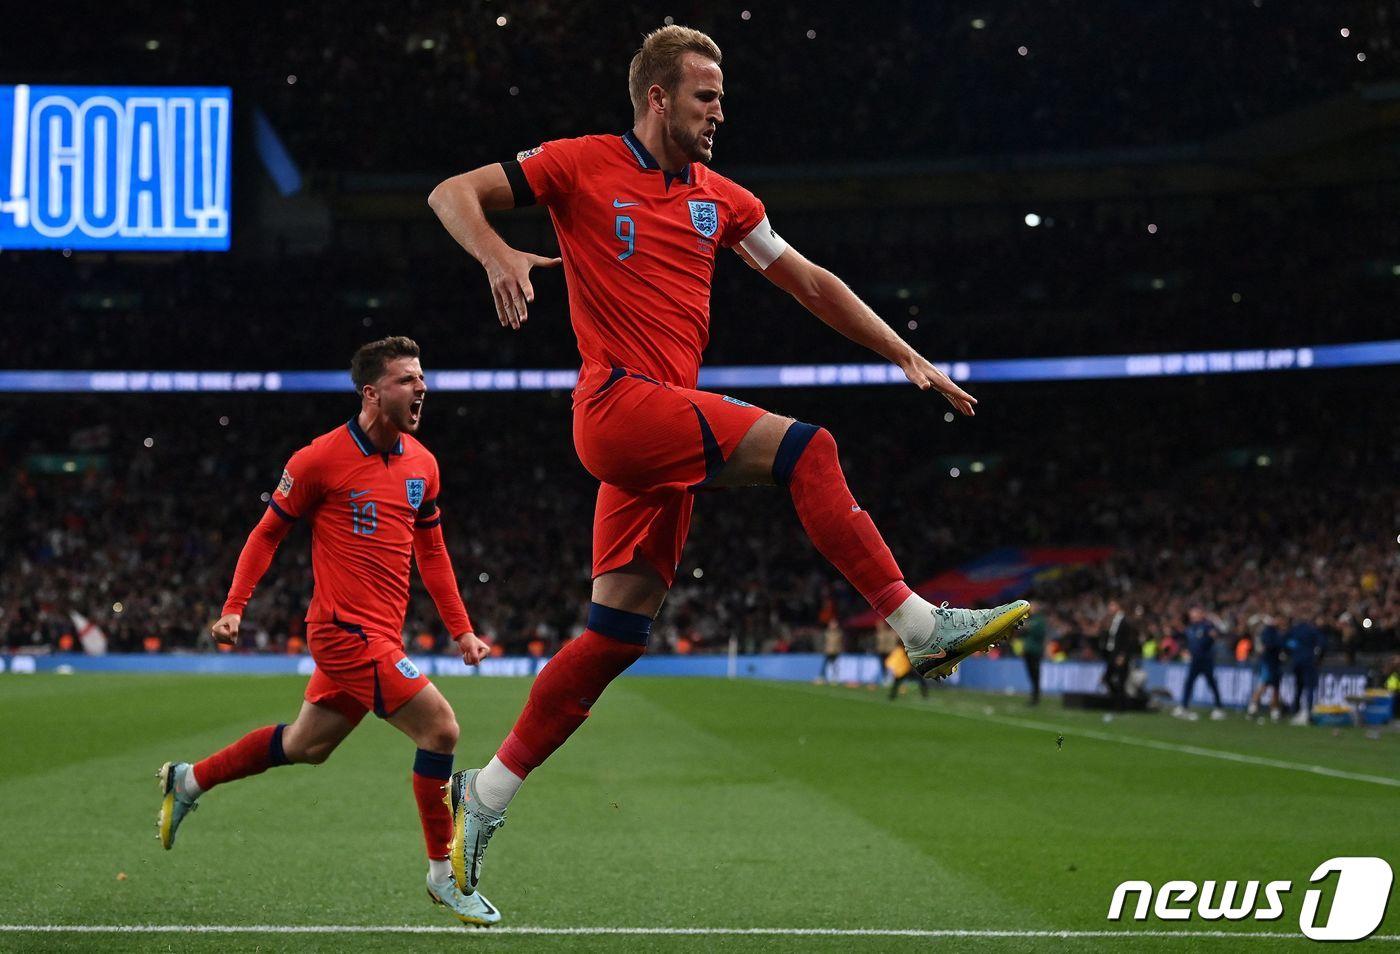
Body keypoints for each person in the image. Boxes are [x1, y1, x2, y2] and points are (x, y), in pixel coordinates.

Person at [427, 24, 1031, 899]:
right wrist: (496, 253)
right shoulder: (578, 163)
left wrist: (903, 353)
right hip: (617, 406)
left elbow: (811, 281)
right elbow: (452, 193)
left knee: (611, 640)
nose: (720, 112)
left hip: (657, 429)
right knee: (808, 449)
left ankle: (480, 800)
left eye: (723, 98)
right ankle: (916, 625)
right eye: (705, 97)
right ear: (657, 97)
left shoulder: (723, 200)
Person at [154, 337, 499, 926]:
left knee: (306, 747)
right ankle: (445, 877)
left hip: (381, 636)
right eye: (406, 380)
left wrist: (461, 630)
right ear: (371, 392)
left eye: (421, 377)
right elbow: (266, 533)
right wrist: (235, 606)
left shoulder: (423, 463)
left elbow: (433, 551)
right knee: (441, 730)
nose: (421, 388)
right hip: (343, 633)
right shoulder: (318, 460)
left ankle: (188, 780)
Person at [1173, 606, 1227, 721]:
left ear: (1201, 614)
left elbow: (1216, 635)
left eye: (1195, 613)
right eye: (1192, 614)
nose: (1193, 615)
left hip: (1206, 659)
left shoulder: (1207, 626)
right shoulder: (1191, 628)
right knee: (1189, 683)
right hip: (1195, 660)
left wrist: (1212, 633)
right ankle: (1184, 706)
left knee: (1211, 683)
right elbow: (1187, 640)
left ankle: (1219, 708)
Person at [1285, 612, 1327, 726]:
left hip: (1296, 662)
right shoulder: (1313, 630)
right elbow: (1321, 644)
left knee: (1298, 687)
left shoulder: (1295, 630)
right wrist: (1318, 658)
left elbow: (1287, 643)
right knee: (1309, 687)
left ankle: (1295, 712)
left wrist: (1291, 654)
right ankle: (1308, 713)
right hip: (1309, 662)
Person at [1245, 614, 1285, 722]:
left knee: (1275, 686)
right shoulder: (1269, 631)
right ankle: (1253, 706)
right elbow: (1269, 644)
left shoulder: (1277, 631)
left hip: (1275, 662)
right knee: (1264, 683)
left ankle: (1274, 709)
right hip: (1268, 662)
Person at [1020, 613, 1047, 705]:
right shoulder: (1031, 620)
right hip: (1028, 651)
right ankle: (1034, 696)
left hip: (1035, 651)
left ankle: (1036, 697)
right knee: (1031, 675)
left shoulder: (1039, 620)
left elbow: (1040, 634)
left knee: (1035, 675)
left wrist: (1029, 628)